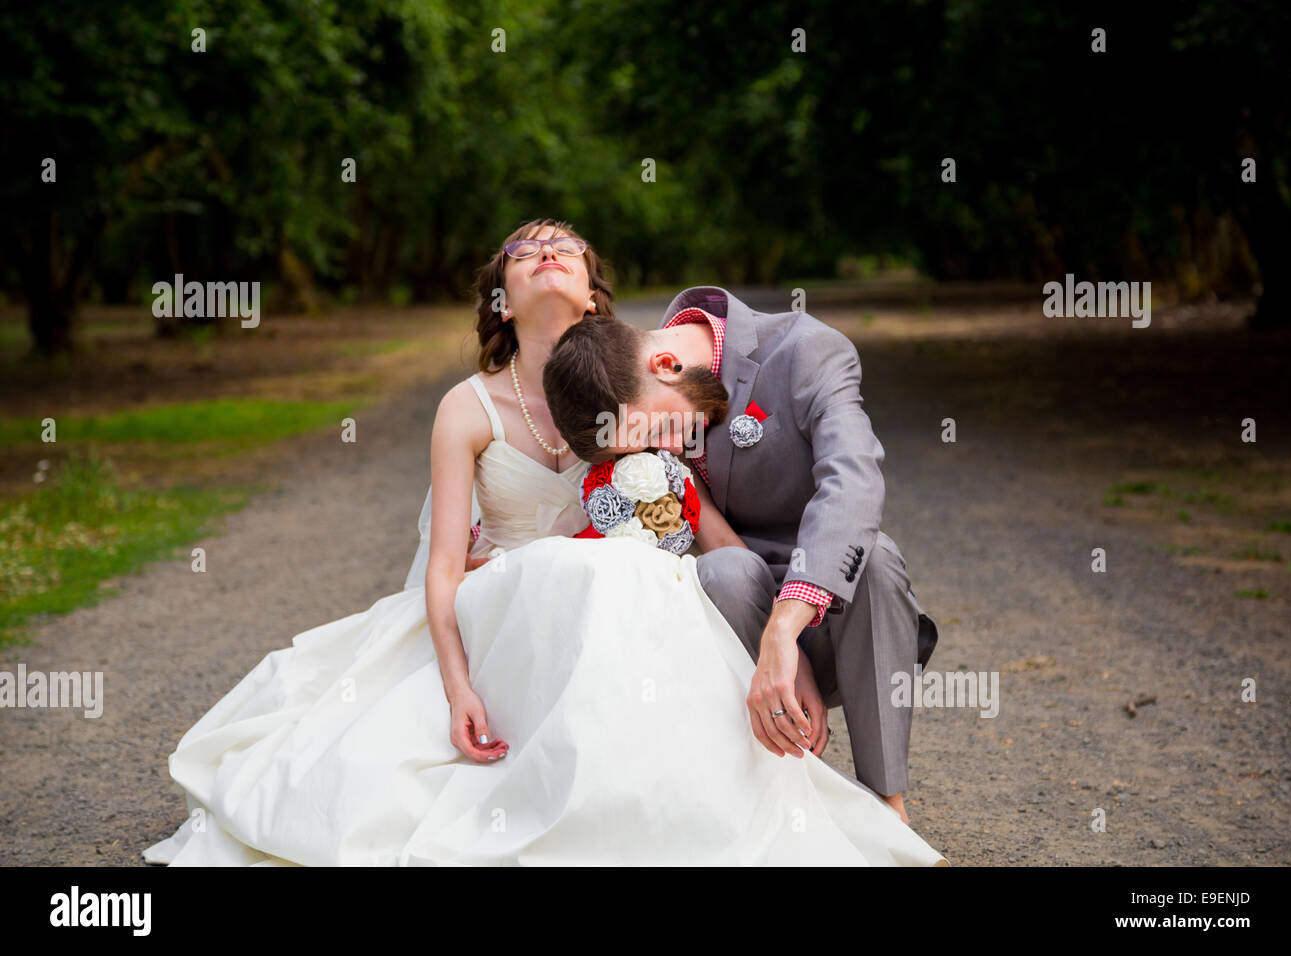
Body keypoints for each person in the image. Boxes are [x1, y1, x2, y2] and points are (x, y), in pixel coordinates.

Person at [142, 220, 946, 865]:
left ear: (599, 301)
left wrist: (790, 636)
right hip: (548, 603)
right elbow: (449, 560)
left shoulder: (663, 369)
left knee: (786, 572)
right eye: (523, 252)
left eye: (564, 246)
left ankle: (841, 800)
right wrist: (461, 675)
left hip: (670, 597)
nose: (545, 252)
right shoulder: (479, 404)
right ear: (499, 300)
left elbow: (719, 514)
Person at [542, 288, 938, 822]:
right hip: (725, 621)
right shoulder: (634, 390)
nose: (664, 447)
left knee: (877, 559)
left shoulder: (807, 351)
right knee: (722, 570)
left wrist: (786, 629)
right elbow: (716, 540)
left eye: (659, 430)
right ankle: (770, 801)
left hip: (838, 621)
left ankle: (888, 808)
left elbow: (854, 482)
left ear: (665, 363)